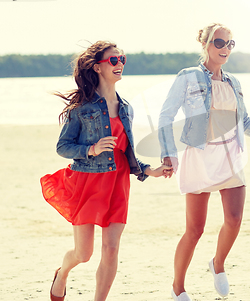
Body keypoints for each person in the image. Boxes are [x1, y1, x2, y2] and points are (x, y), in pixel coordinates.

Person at [158, 23, 250, 301]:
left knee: (234, 220)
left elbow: (246, 123)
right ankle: (178, 286)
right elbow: (166, 116)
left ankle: (218, 263)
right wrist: (168, 153)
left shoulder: (234, 82)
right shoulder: (188, 77)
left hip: (230, 156)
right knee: (195, 230)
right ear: (206, 44)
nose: (225, 49)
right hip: (199, 156)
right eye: (219, 43)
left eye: (230, 44)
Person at [40, 41, 170, 301]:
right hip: (89, 182)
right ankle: (62, 273)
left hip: (118, 182)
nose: (119, 63)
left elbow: (126, 150)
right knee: (83, 254)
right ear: (98, 67)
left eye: (122, 59)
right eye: (113, 60)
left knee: (111, 249)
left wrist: (149, 170)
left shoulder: (126, 108)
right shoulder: (82, 108)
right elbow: (63, 147)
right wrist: (92, 148)